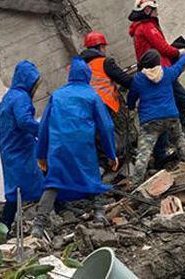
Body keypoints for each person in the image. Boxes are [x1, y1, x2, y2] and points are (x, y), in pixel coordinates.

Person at [32, 58, 118, 238]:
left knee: (54, 182)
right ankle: (99, 213)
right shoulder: (92, 95)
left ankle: (38, 226)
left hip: (59, 147)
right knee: (92, 176)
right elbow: (106, 126)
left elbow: (44, 126)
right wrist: (111, 153)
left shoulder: (56, 95)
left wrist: (41, 154)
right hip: (82, 145)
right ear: (87, 75)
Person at [128, 0, 185, 162]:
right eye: (154, 9)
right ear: (148, 10)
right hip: (161, 73)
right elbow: (163, 48)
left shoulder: (140, 29)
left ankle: (161, 153)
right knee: (184, 103)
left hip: (154, 75)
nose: (157, 12)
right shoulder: (147, 27)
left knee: (167, 112)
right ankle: (170, 141)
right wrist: (182, 53)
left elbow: (132, 98)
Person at [0, 61, 44, 231]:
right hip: (21, 147)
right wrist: (43, 131)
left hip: (8, 146)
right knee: (40, 177)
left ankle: (5, 226)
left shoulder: (10, 96)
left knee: (15, 187)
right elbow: (24, 121)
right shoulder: (22, 98)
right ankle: (55, 210)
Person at [127, 48, 185, 186]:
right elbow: (179, 67)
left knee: (143, 154)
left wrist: (131, 106)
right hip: (171, 116)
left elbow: (131, 99)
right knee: (179, 138)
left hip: (150, 121)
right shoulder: (167, 73)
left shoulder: (138, 79)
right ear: (157, 62)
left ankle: (135, 183)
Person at [79, 32, 133, 161]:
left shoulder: (82, 67)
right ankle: (127, 157)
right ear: (101, 47)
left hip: (90, 108)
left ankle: (110, 161)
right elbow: (126, 80)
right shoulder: (105, 62)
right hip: (108, 105)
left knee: (104, 136)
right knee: (123, 131)